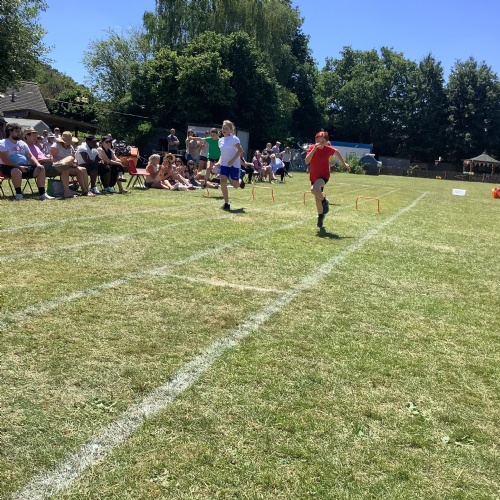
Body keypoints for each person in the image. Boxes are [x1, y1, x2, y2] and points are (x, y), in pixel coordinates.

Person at [305, 131, 350, 228]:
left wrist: (344, 163)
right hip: (314, 176)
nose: (320, 143)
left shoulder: (328, 149)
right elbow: (306, 161)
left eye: (323, 141)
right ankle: (320, 216)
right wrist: (314, 149)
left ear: (326, 142)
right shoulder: (311, 148)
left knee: (313, 189)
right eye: (318, 141)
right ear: (315, 140)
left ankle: (325, 201)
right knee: (317, 198)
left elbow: (336, 152)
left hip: (324, 175)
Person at [0, 122, 54, 200]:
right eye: (17, 131)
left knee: (41, 168)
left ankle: (42, 194)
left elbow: (30, 156)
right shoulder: (3, 143)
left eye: (19, 131)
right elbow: (5, 160)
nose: (19, 133)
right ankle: (19, 194)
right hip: (8, 167)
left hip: (24, 166)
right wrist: (19, 167)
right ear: (10, 131)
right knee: (16, 171)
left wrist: (38, 164)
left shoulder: (22, 143)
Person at [23, 127, 77, 198]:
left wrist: (48, 158)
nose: (36, 137)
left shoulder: (35, 146)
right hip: (41, 167)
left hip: (49, 164)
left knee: (68, 164)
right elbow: (29, 162)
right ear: (27, 136)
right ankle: (67, 191)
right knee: (67, 164)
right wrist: (45, 160)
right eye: (33, 135)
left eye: (36, 135)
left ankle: (68, 190)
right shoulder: (25, 147)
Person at [50, 131, 94, 196]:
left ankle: (85, 190)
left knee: (83, 169)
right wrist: (61, 162)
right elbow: (51, 157)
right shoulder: (56, 145)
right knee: (66, 167)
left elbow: (73, 157)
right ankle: (67, 191)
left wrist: (75, 161)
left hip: (69, 165)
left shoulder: (70, 147)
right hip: (57, 166)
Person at [217, 119, 245, 211]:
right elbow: (222, 154)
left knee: (235, 186)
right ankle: (226, 203)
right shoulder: (220, 140)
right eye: (223, 128)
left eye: (226, 128)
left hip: (234, 165)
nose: (224, 130)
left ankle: (240, 180)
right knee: (222, 180)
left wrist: (232, 161)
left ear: (230, 130)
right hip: (224, 164)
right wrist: (219, 162)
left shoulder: (234, 139)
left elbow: (240, 151)